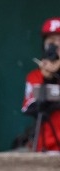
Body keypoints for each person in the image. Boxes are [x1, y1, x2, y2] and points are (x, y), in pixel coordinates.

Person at [21, 17, 60, 152]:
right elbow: (31, 108)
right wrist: (48, 79)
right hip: (45, 148)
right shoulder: (35, 76)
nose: (56, 46)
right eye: (51, 42)